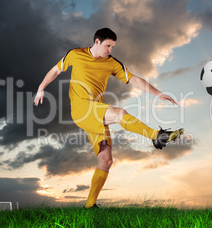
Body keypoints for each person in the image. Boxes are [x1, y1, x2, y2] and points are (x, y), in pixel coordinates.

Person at [34, 28, 184, 209]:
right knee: (119, 113)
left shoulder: (112, 63)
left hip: (95, 113)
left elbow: (134, 80)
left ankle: (90, 205)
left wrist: (158, 93)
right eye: (107, 46)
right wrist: (41, 88)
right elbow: (56, 70)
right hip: (81, 109)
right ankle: (156, 135)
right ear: (97, 41)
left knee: (106, 160)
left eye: (112, 47)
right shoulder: (75, 54)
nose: (110, 50)